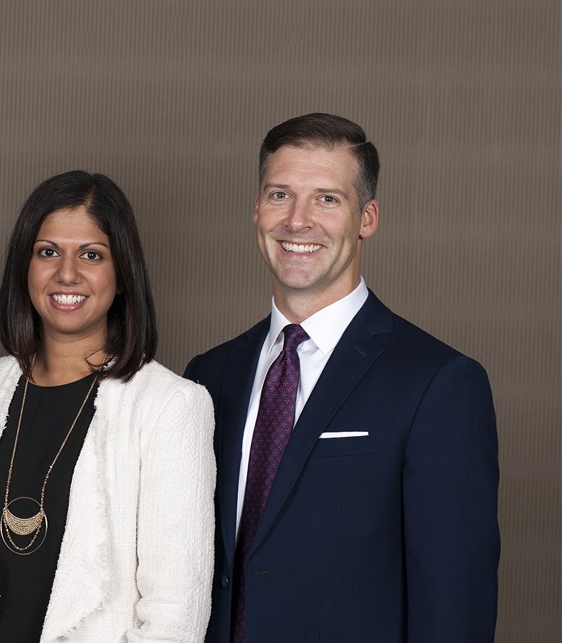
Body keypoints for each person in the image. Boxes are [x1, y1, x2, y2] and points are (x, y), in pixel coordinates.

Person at [186, 112, 500, 642]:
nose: (298, 221)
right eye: (280, 195)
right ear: (257, 209)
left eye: (327, 199)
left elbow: (454, 604)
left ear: (367, 217)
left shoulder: (439, 383)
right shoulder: (209, 376)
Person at [0, 170, 215, 641]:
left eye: (92, 255)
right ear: (25, 266)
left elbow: (175, 613)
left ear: (123, 275)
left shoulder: (170, 406)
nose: (67, 273)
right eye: (48, 252)